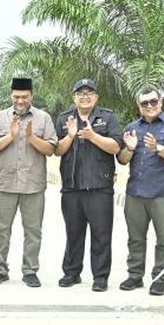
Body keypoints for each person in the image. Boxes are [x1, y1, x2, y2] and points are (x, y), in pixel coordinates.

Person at [0, 77, 58, 288]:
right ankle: (0, 269)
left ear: (31, 96)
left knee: (33, 231)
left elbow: (51, 149)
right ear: (11, 96)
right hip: (5, 184)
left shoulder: (43, 118)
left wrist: (31, 138)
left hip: (33, 185)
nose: (20, 100)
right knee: (1, 230)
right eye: (16, 96)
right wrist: (11, 136)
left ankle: (30, 271)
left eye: (25, 96)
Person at [115, 88, 164, 296]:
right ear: (139, 106)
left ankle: (159, 278)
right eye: (144, 103)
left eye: (153, 101)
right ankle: (135, 275)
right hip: (135, 192)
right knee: (135, 238)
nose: (149, 106)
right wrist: (129, 148)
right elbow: (122, 160)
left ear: (160, 102)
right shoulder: (132, 128)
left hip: (163, 193)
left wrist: (158, 148)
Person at [54, 78, 123, 292]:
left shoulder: (108, 118)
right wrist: (70, 136)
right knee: (73, 233)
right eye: (80, 94)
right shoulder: (64, 118)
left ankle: (100, 277)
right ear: (74, 97)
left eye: (89, 93)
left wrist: (93, 136)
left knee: (101, 234)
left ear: (96, 97)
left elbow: (116, 147)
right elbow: (57, 150)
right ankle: (71, 272)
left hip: (99, 187)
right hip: (72, 186)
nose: (85, 97)